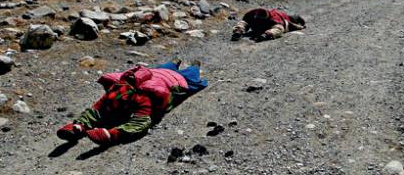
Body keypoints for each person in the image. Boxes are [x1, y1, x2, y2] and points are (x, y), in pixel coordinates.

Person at [56, 59, 207, 146]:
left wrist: (111, 134)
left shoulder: (127, 91)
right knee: (186, 71)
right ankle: (189, 63)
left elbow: (141, 121)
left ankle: (187, 63)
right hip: (163, 76)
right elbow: (139, 121)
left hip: (174, 79)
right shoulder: (121, 90)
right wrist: (111, 133)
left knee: (187, 71)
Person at [232, 8, 306, 41]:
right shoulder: (252, 14)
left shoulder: (275, 19)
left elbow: (286, 26)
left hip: (281, 22)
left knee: (280, 28)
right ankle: (238, 31)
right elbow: (244, 21)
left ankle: (267, 34)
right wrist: (240, 28)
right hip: (258, 27)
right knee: (244, 23)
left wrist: (300, 27)